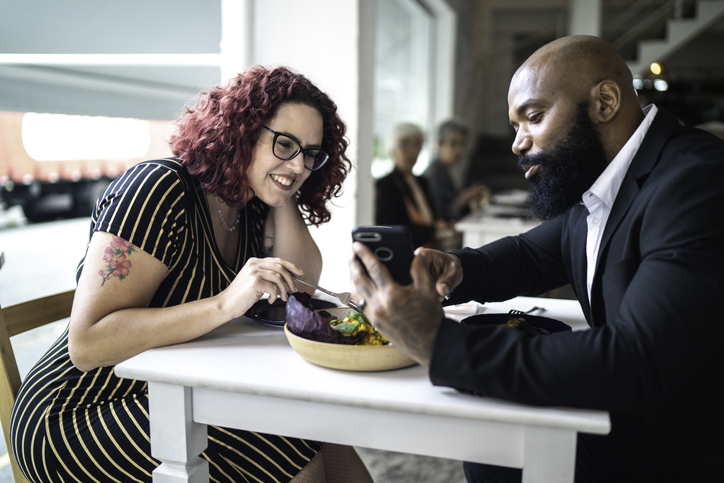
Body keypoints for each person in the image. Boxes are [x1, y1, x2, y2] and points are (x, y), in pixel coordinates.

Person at [350, 35, 724, 482]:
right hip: (629, 418)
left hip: (669, 449)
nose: (516, 143)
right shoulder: (604, 179)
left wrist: (438, 344)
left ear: (605, 102)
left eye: (533, 117)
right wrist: (456, 268)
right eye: (514, 126)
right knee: (491, 442)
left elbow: (636, 357)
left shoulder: (697, 180)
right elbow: (530, 254)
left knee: (495, 440)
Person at [11, 66, 373, 483]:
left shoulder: (251, 204)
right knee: (290, 448)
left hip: (170, 388)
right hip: (79, 408)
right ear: (242, 132)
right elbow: (87, 344)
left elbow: (301, 283)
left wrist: (285, 184)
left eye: (310, 154)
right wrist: (223, 304)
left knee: (322, 430)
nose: (299, 164)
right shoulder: (157, 188)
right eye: (284, 143)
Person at [375, 122, 439, 249]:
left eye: (416, 145)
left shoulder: (422, 181)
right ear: (392, 150)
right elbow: (391, 226)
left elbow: (432, 215)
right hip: (406, 249)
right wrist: (433, 231)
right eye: (405, 145)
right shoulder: (385, 184)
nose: (411, 152)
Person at [423, 120, 487, 222]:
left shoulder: (444, 171)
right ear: (439, 144)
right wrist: (465, 197)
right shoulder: (434, 174)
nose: (459, 150)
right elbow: (441, 214)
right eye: (453, 144)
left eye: (463, 145)